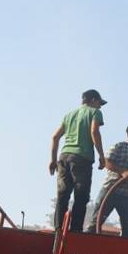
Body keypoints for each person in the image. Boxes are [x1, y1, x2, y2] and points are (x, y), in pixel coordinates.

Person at [49, 89, 107, 231]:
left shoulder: (69, 115)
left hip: (64, 157)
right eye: (99, 103)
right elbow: (94, 131)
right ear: (93, 100)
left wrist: (53, 160)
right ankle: (75, 231)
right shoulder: (94, 112)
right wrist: (101, 155)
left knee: (63, 195)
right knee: (81, 195)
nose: (100, 106)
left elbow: (55, 137)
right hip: (82, 158)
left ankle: (58, 229)